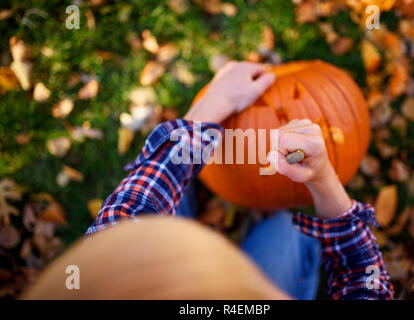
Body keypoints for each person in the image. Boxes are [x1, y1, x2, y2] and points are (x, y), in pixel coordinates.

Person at [25, 61, 393, 300]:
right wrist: (325, 179)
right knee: (289, 229)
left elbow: (126, 220)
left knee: (162, 203)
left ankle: (184, 198)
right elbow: (363, 275)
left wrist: (206, 112)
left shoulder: (99, 284)